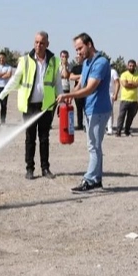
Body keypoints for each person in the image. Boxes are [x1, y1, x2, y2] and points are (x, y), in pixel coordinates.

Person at [0, 31, 62, 180]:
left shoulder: (53, 61)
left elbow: (57, 82)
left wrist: (61, 98)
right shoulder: (25, 60)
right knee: (30, 138)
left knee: (44, 138)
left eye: (42, 43)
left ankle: (45, 168)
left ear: (47, 44)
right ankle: (30, 168)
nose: (39, 45)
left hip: (46, 106)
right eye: (36, 42)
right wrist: (1, 96)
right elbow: (15, 80)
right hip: (29, 106)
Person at [57, 32, 112, 192]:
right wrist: (71, 96)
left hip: (99, 110)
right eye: (76, 49)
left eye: (80, 48)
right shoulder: (87, 62)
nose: (78, 52)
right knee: (95, 146)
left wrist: (67, 95)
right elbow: (81, 83)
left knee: (93, 146)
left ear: (89, 45)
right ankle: (97, 180)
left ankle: (89, 180)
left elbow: (90, 88)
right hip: (91, 109)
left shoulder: (100, 63)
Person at [116, 59, 138, 136]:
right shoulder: (124, 74)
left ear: (135, 66)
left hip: (134, 100)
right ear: (127, 66)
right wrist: (135, 84)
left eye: (133, 66)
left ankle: (127, 130)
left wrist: (131, 83)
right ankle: (118, 131)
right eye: (130, 65)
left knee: (130, 117)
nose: (131, 67)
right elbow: (125, 85)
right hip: (125, 99)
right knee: (121, 116)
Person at [69, 53, 85, 129]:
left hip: (86, 90)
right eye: (76, 57)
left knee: (87, 108)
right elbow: (71, 77)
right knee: (79, 109)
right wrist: (81, 76)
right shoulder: (75, 68)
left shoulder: (86, 66)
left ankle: (88, 124)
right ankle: (80, 125)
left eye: (79, 57)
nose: (77, 58)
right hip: (77, 90)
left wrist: (79, 78)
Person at [106, 64, 120, 135]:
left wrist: (116, 93)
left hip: (110, 94)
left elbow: (117, 83)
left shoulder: (113, 71)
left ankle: (110, 128)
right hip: (101, 94)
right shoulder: (101, 71)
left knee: (109, 111)